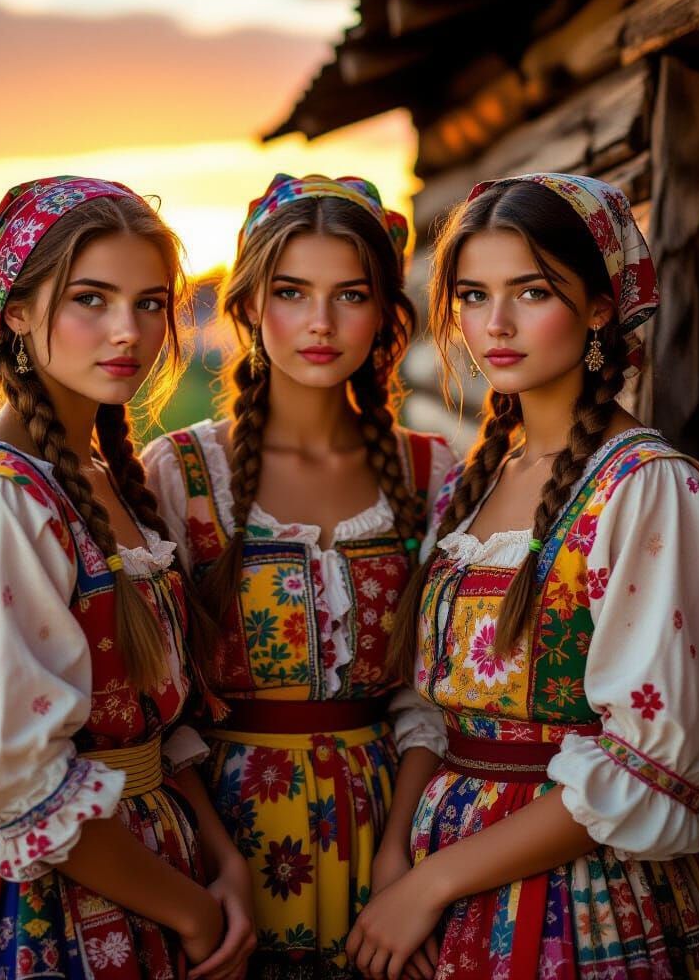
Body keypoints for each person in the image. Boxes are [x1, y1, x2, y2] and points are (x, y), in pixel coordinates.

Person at [346, 173, 699, 980]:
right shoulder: (480, 478)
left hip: (581, 898)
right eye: (472, 294)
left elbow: (651, 759)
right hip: (442, 883)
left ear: (601, 306)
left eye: (531, 292)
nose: (494, 324)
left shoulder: (646, 489)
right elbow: (433, 704)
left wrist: (434, 881)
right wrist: (402, 858)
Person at [0, 176, 255, 980]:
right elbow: (19, 782)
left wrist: (224, 864)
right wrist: (193, 912)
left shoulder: (106, 478)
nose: (129, 333)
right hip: (61, 894)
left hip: (163, 858)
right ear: (18, 314)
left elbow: (152, 727)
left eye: (149, 303)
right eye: (91, 299)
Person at [142, 174, 453, 979]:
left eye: (350, 294)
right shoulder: (183, 473)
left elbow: (428, 692)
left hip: (390, 827)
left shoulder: (430, 472)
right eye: (291, 291)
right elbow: (157, 702)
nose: (320, 323)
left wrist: (398, 855)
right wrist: (220, 859)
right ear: (247, 306)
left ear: (386, 312)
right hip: (225, 839)